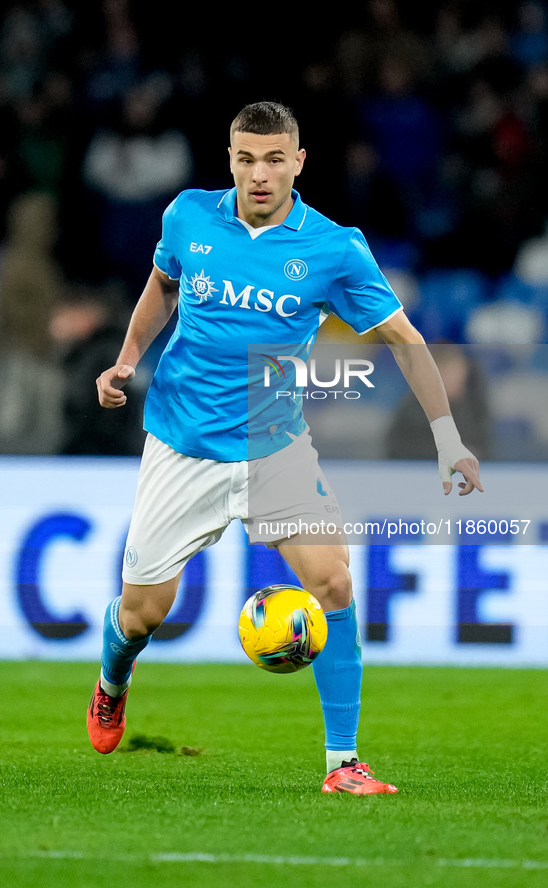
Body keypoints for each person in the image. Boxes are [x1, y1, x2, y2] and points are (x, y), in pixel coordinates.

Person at [87, 102, 483, 795]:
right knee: (141, 614)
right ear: (230, 159)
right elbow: (162, 285)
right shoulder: (187, 217)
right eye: (246, 158)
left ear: (298, 162)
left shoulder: (333, 249)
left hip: (275, 448)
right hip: (181, 445)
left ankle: (343, 763)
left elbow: (406, 342)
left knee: (331, 581)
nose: (259, 174)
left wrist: (447, 441)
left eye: (274, 159)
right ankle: (112, 678)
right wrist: (125, 360)